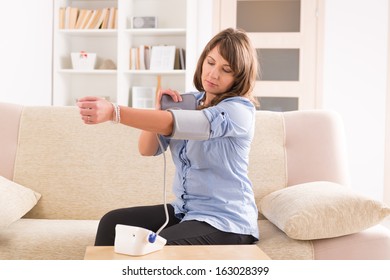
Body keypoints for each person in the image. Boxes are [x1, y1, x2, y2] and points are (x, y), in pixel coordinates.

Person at [77, 28, 260, 246]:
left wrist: (113, 112)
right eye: (210, 63)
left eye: (226, 69)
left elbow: (178, 123)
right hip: (185, 211)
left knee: (155, 247)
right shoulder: (190, 101)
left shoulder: (239, 110)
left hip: (226, 221)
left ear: (239, 77)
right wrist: (158, 109)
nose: (213, 74)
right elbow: (146, 149)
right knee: (112, 222)